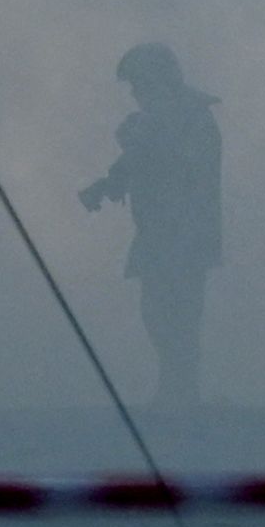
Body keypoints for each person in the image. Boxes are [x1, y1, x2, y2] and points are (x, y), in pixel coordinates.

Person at [81, 44, 223, 408]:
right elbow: (138, 161)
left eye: (138, 84)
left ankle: (181, 391)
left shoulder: (190, 117)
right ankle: (174, 388)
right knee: (158, 312)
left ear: (157, 79)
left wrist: (130, 152)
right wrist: (109, 183)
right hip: (161, 230)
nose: (135, 94)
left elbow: (174, 166)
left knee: (178, 313)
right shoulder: (162, 119)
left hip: (184, 231)